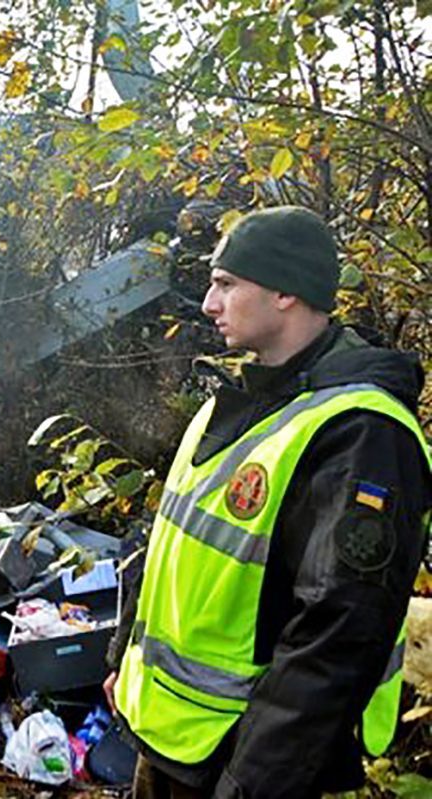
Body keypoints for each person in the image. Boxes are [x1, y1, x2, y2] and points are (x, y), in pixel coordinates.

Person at [103, 205, 432, 799]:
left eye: (226, 284)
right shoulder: (240, 400)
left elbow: (338, 635)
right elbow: (170, 544)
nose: (209, 304)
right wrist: (123, 660)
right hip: (172, 736)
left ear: (285, 292)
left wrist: (250, 784)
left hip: (242, 762)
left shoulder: (363, 433)